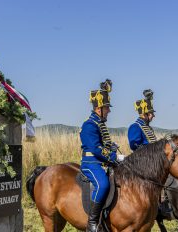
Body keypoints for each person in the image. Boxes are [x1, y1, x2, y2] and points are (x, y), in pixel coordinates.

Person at [80, 79, 118, 232]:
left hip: (102, 162)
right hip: (91, 163)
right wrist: (114, 157)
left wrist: (113, 148)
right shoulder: (89, 124)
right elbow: (96, 149)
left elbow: (104, 145)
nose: (109, 111)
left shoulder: (100, 124)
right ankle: (92, 221)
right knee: (103, 184)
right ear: (99, 109)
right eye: (107, 108)